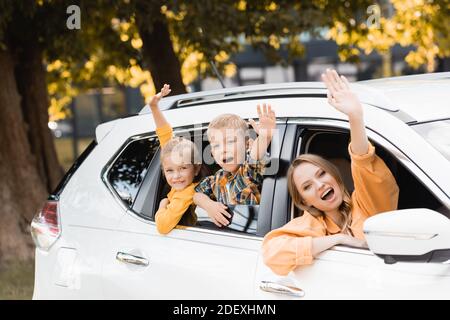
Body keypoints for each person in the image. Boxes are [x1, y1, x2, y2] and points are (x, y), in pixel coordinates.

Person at [262, 69, 399, 276]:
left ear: (334, 176)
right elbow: (272, 254)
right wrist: (339, 239)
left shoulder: (365, 204)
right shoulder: (310, 224)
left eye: (321, 174)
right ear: (305, 201)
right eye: (307, 187)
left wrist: (355, 117)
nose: (320, 185)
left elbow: (364, 164)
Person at [194, 104, 276, 227]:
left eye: (231, 141)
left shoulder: (248, 172)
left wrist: (265, 137)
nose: (223, 150)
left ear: (247, 145)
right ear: (212, 154)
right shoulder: (217, 179)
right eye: (216, 145)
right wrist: (209, 205)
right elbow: (197, 195)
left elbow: (256, 157)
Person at [151, 84, 203, 234]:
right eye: (170, 170)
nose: (176, 176)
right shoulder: (183, 184)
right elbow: (165, 136)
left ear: (196, 168)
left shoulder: (185, 194)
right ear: (164, 170)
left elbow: (162, 226)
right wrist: (154, 107)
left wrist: (162, 205)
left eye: (183, 168)